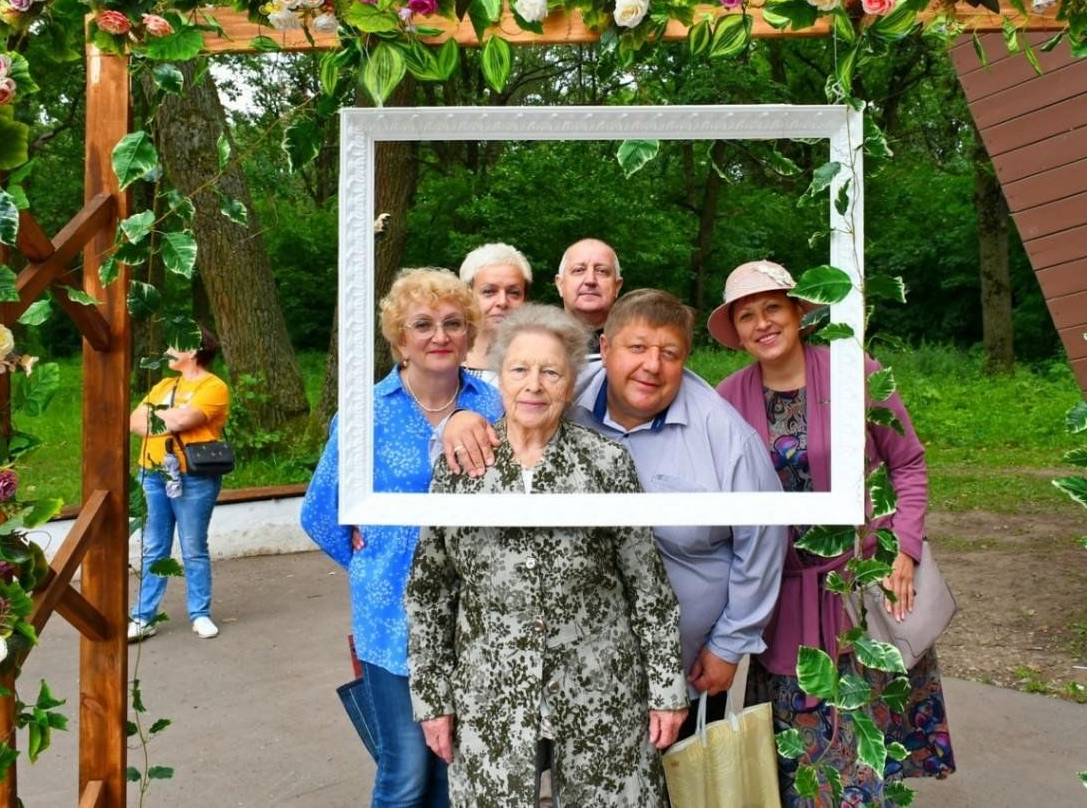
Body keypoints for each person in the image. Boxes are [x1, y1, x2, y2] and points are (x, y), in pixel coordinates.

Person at [445, 289, 786, 734]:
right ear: (604, 347)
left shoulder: (725, 437)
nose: (652, 365)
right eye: (637, 347)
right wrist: (461, 418)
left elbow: (764, 544)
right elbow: (507, 403)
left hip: (680, 669)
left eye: (669, 353)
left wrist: (729, 645)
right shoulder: (562, 386)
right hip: (569, 669)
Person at [407, 304, 689, 807]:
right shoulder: (462, 464)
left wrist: (667, 688)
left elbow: (647, 586)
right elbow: (430, 594)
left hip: (601, 690)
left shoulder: (605, 463)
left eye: (550, 371)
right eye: (519, 369)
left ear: (570, 380)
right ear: (499, 377)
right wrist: (433, 700)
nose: (533, 384)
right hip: (490, 693)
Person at [709, 260, 955, 806]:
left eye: (773, 307)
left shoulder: (855, 373)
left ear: (799, 311)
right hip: (784, 598)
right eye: (747, 315)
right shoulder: (725, 399)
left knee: (867, 747)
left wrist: (903, 551)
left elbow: (907, 464)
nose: (762, 323)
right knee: (805, 757)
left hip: (863, 588)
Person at [301, 268, 502, 808]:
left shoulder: (496, 407)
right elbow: (321, 514)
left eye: (454, 324)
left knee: (453, 769)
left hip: (475, 616)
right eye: (424, 324)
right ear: (400, 339)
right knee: (405, 771)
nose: (440, 336)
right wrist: (374, 562)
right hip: (392, 619)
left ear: (469, 334)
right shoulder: (365, 415)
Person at [127, 329, 230, 642]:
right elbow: (133, 422)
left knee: (193, 547)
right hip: (152, 473)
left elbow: (184, 422)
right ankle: (144, 617)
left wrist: (159, 418)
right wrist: (168, 417)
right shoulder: (163, 385)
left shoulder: (214, 387)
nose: (168, 349)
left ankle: (200, 614)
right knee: (154, 547)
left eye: (176, 345)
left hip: (193, 476)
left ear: (194, 351)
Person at [458, 242, 531, 384]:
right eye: (489, 292)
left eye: (514, 293)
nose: (502, 302)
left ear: (525, 299)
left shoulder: (539, 361)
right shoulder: (445, 359)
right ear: (466, 296)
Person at [554, 238, 623, 353]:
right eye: (579, 270)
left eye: (601, 271)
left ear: (617, 286)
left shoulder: (635, 344)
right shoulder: (537, 341)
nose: (590, 280)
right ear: (560, 285)